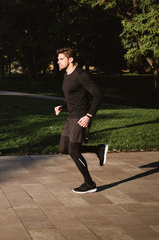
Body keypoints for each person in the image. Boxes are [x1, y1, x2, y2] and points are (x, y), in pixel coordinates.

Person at [55, 47, 108, 194]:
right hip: (71, 116)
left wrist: (89, 116)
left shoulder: (81, 75)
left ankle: (89, 183)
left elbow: (98, 95)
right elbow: (73, 96)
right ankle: (98, 149)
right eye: (58, 59)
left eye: (61, 59)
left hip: (81, 117)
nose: (58, 61)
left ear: (70, 59)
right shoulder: (66, 75)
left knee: (73, 150)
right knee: (64, 148)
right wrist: (63, 106)